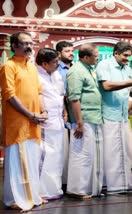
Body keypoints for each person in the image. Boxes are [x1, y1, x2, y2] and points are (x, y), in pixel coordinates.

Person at [0, 31, 48, 211]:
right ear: (14, 46)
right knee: (16, 163)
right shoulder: (8, 66)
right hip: (17, 124)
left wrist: (43, 111)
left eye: (31, 43)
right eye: (25, 43)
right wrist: (30, 115)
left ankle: (32, 195)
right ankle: (14, 199)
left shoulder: (32, 66)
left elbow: (38, 91)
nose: (29, 46)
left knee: (32, 161)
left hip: (33, 122)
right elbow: (10, 96)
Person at [96, 41, 132, 194]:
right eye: (125, 55)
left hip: (123, 115)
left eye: (129, 56)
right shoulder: (105, 65)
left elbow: (128, 93)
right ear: (115, 53)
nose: (127, 59)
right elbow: (106, 86)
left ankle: (123, 185)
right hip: (109, 115)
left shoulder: (127, 69)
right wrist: (131, 82)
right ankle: (110, 185)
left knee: (124, 151)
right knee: (110, 152)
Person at [66, 43, 103, 199]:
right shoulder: (76, 72)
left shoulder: (88, 69)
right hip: (84, 119)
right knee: (80, 154)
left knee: (89, 155)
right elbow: (74, 98)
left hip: (93, 118)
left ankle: (88, 188)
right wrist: (79, 122)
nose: (98, 57)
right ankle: (76, 189)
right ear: (86, 57)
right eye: (95, 55)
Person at [36, 48, 65, 200]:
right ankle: (41, 191)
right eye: (54, 62)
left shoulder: (57, 75)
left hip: (58, 122)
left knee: (57, 157)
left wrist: (65, 113)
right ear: (45, 64)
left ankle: (55, 189)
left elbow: (61, 96)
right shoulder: (36, 76)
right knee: (45, 157)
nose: (57, 65)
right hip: (45, 123)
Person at [56, 41, 74, 189]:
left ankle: (71, 179)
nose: (71, 53)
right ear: (59, 54)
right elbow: (61, 94)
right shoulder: (57, 70)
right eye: (67, 51)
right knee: (62, 149)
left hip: (76, 112)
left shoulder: (75, 68)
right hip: (63, 112)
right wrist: (65, 112)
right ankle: (62, 182)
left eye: (72, 50)